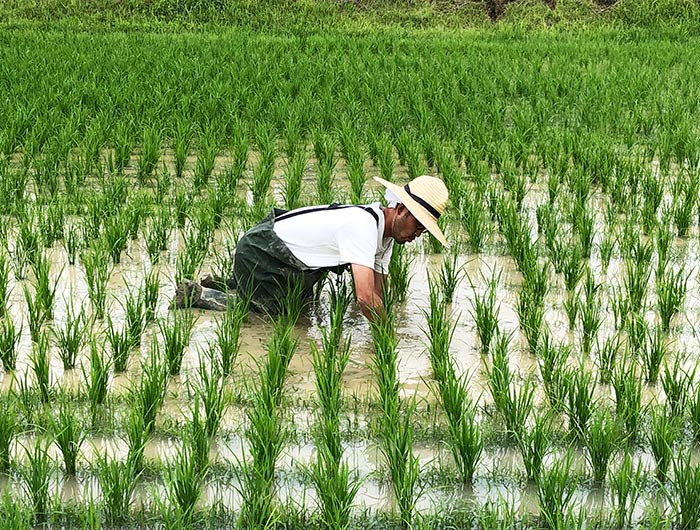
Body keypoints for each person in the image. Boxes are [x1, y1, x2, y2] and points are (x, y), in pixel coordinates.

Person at [172, 175, 449, 321]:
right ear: (400, 209)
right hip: (261, 251)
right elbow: (366, 298)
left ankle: (225, 282)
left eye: (423, 231)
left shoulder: (385, 237)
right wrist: (387, 339)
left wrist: (389, 315)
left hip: (282, 260)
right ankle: (197, 294)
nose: (417, 235)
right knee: (269, 314)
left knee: (301, 306)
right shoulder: (362, 226)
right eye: (418, 226)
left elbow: (379, 291)